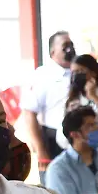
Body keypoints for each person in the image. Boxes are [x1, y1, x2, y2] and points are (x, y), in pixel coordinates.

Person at [20, 31, 76, 181]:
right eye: (65, 46)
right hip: (52, 142)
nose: (70, 49)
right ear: (53, 52)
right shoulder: (42, 76)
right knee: (54, 190)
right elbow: (29, 113)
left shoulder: (78, 72)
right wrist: (40, 151)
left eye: (71, 44)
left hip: (78, 141)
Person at [46, 106, 98, 194]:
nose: (97, 129)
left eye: (96, 124)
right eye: (90, 126)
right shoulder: (59, 169)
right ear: (75, 134)